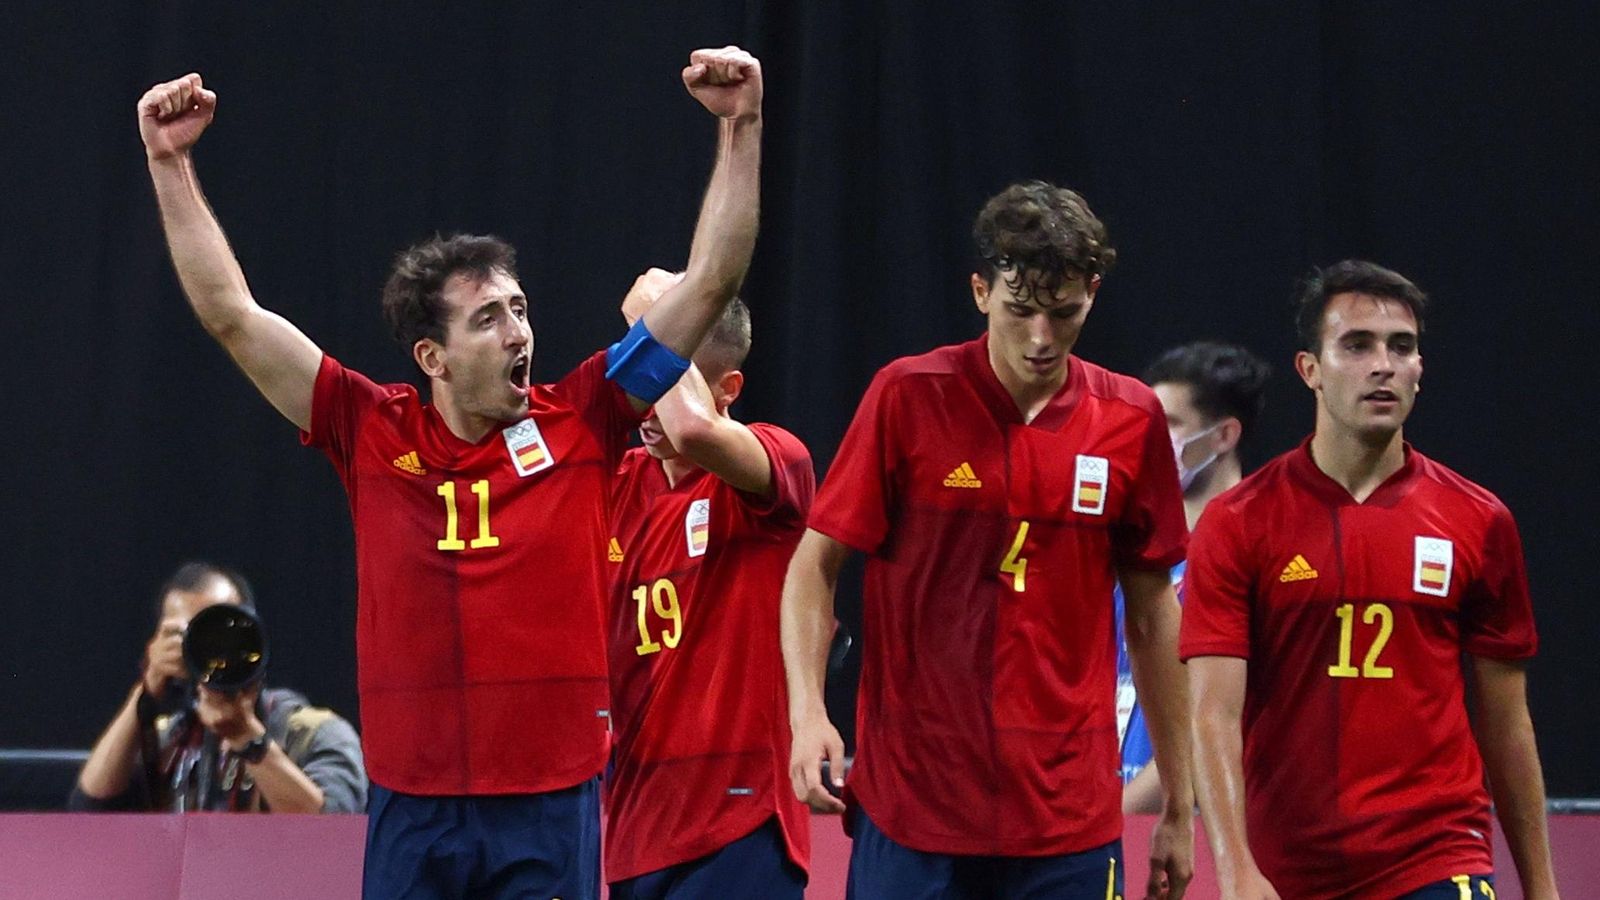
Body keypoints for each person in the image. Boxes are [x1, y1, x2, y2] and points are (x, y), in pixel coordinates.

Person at [136, 45, 762, 900]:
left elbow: (715, 276)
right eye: (487, 320)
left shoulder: (585, 414)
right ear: (432, 355)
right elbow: (232, 317)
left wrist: (742, 126)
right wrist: (169, 162)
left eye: (520, 308)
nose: (518, 333)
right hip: (414, 804)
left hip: (550, 802)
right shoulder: (365, 426)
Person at [782, 180, 1194, 899]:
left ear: (1092, 294)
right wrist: (808, 713)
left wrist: (1180, 807)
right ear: (980, 292)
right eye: (1020, 310)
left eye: (1063, 313)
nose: (1041, 338)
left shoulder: (1131, 419)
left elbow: (1156, 616)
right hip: (915, 810)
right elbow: (814, 565)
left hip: (1069, 820)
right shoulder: (906, 396)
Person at [1182, 260, 1561, 900]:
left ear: (1419, 370)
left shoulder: (1479, 519)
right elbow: (1213, 714)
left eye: (1401, 347)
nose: (1383, 363)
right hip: (1288, 869)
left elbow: (1506, 725)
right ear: (1312, 370)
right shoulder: (1238, 522)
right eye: (1357, 345)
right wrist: (1237, 869)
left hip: (1437, 858)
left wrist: (1543, 888)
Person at [605, 270, 812, 898]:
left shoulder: (775, 465)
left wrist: (650, 309)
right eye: (642, 364)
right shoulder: (611, 483)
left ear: (728, 388)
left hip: (739, 826)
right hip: (634, 830)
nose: (649, 390)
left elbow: (694, 427)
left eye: (670, 370)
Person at [69, 561, 365, 813]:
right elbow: (90, 809)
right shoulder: (167, 738)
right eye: (184, 634)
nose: (207, 647)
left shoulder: (313, 733)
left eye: (218, 630)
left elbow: (335, 834)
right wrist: (145, 694)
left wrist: (247, 738)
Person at [1116, 342, 1270, 814]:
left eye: (1169, 425)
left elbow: (1220, 721)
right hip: (1103, 814)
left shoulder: (1260, 552)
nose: (1147, 439)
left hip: (1193, 829)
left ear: (1224, 435)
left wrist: (1122, 815)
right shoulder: (1130, 546)